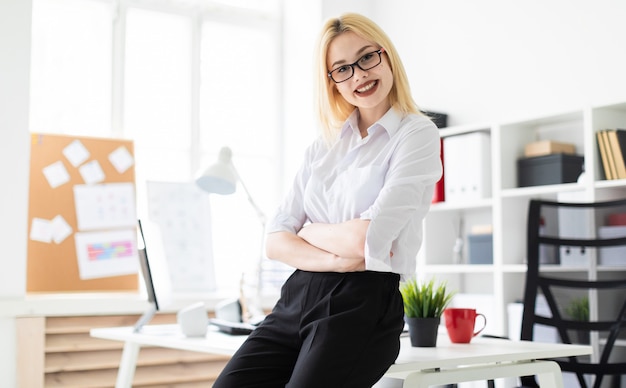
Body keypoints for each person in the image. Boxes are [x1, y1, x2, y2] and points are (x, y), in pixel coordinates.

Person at [213, 12, 442, 388]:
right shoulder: (324, 145)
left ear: (387, 56)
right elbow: (274, 240)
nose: (359, 76)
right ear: (332, 82)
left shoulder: (416, 133)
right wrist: (336, 258)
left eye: (367, 57)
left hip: (363, 302)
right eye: (342, 69)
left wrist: (309, 230)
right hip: (296, 297)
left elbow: (364, 240)